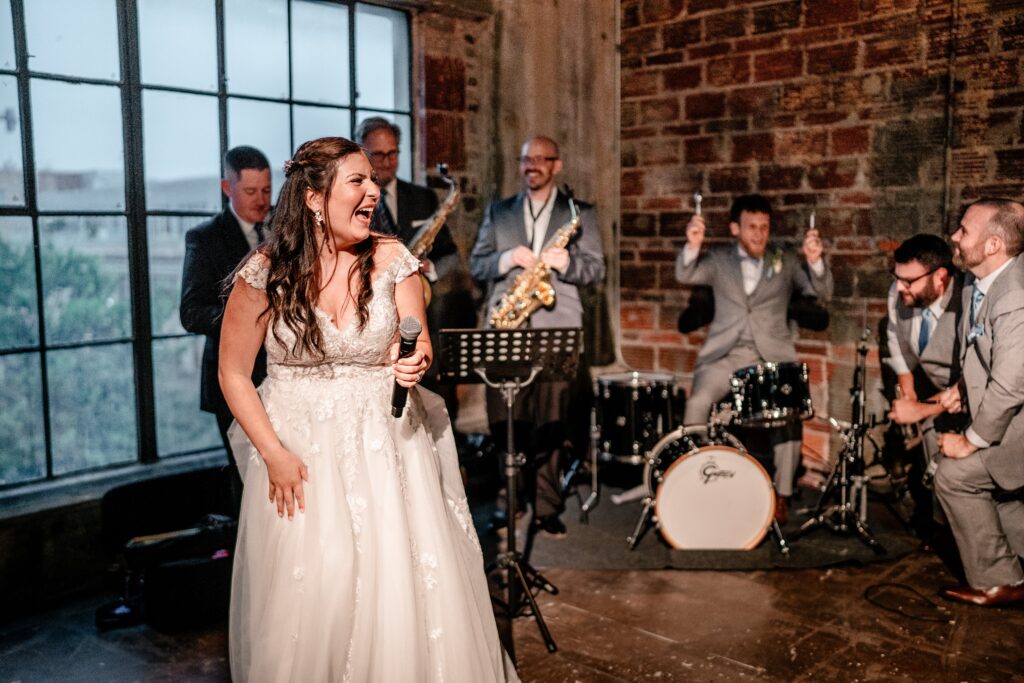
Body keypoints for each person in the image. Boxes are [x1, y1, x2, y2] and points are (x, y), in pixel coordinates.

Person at [218, 137, 518, 680]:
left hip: (386, 444)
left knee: (394, 579)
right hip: (299, 452)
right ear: (313, 197)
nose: (373, 192)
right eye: (357, 181)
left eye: (372, 182)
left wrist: (415, 362)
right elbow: (234, 373)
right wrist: (274, 453)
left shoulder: (393, 258)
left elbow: (418, 339)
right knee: (317, 585)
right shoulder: (265, 272)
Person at [469, 136, 606, 537]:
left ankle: (546, 506)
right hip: (505, 324)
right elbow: (478, 265)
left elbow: (596, 270)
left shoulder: (580, 213)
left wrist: (569, 262)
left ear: (556, 165)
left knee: (551, 418)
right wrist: (506, 258)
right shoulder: (499, 212)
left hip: (557, 325)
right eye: (525, 159)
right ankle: (508, 501)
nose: (532, 166)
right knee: (504, 418)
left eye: (541, 160)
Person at [674, 194, 832, 524]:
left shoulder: (785, 259)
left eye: (764, 227)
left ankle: (782, 494)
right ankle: (696, 479)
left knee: (789, 416)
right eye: (751, 228)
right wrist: (692, 244)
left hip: (770, 355)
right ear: (735, 228)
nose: (759, 234)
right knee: (697, 402)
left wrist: (815, 260)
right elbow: (686, 274)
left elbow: (820, 291)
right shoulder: (718, 259)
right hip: (725, 355)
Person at [934, 198, 1024, 607]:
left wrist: (971, 440)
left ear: (992, 246)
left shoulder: (1016, 297)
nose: (954, 235)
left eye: (964, 230)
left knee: (954, 475)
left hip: (1018, 421)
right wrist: (961, 388)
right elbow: (981, 350)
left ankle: (999, 581)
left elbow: (1010, 386)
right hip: (1008, 414)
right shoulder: (977, 278)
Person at [354, 117, 469, 416]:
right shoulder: (352, 199)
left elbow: (452, 256)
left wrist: (429, 270)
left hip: (420, 318)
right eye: (378, 154)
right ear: (362, 153)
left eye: (393, 153)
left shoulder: (423, 197)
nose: (388, 161)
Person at [180, 145, 272, 511]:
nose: (262, 201)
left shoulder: (284, 228)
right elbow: (191, 312)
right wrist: (250, 320)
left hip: (285, 376)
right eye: (250, 192)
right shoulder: (205, 238)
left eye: (266, 190)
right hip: (234, 379)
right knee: (249, 484)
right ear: (226, 187)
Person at [885, 234, 964, 528]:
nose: (899, 287)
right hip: (938, 395)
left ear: (940, 276)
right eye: (896, 277)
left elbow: (981, 377)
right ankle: (941, 529)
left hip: (977, 397)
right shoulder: (899, 295)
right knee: (931, 463)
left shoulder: (967, 304)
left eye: (908, 281)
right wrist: (908, 391)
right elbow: (896, 341)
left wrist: (921, 410)